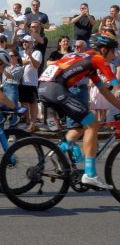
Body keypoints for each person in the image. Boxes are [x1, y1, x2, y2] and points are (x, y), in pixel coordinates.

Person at [37, 33, 120, 189]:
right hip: (55, 88)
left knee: (81, 125)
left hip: (45, 87)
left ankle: (57, 153)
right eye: (112, 51)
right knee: (92, 123)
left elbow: (104, 91)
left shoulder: (87, 61)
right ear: (103, 50)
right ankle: (90, 174)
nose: (114, 55)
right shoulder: (97, 59)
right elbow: (116, 85)